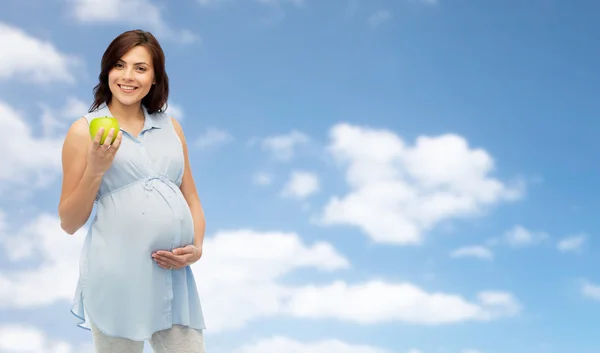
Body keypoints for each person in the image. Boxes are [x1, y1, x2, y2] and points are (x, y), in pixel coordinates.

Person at [58, 29, 207, 352]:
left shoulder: (171, 127)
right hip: (116, 278)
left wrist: (196, 247)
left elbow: (191, 198)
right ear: (107, 71)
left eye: (140, 68)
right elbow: (69, 221)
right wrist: (96, 169)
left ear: (154, 78)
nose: (128, 77)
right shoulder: (84, 131)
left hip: (172, 279)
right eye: (119, 65)